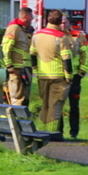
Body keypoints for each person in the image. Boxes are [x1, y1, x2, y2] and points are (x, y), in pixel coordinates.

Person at [31, 9, 73, 138]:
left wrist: (36, 71)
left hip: (42, 76)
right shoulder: (61, 37)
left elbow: (32, 55)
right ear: (60, 22)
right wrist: (69, 77)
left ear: (47, 20)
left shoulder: (36, 35)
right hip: (58, 76)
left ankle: (41, 130)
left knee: (45, 105)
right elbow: (67, 60)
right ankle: (52, 133)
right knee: (55, 105)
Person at [62, 15, 88, 139]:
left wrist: (81, 72)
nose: (63, 25)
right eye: (61, 23)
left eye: (65, 22)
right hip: (59, 77)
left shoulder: (78, 36)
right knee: (58, 106)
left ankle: (74, 132)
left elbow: (86, 54)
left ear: (69, 23)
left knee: (74, 106)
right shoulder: (54, 36)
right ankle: (59, 131)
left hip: (75, 77)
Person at [2, 6, 34, 106]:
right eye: (31, 16)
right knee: (17, 96)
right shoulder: (14, 28)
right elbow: (6, 47)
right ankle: (15, 119)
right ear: (25, 17)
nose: (32, 19)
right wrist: (9, 65)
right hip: (16, 69)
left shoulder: (25, 30)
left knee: (25, 97)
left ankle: (22, 119)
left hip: (26, 68)